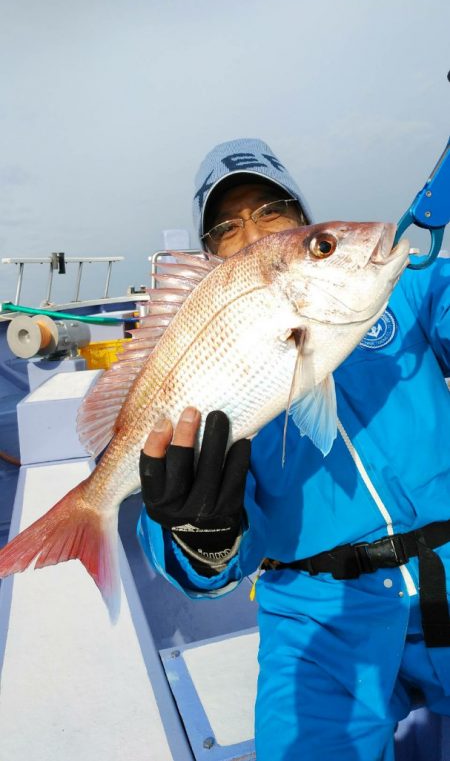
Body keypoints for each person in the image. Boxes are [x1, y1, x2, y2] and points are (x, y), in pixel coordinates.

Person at [138, 138, 450, 761]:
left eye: (270, 209)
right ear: (211, 259)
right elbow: (204, 557)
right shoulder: (216, 347)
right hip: (317, 612)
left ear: (302, 221)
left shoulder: (408, 287)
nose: (250, 231)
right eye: (226, 225)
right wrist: (202, 534)